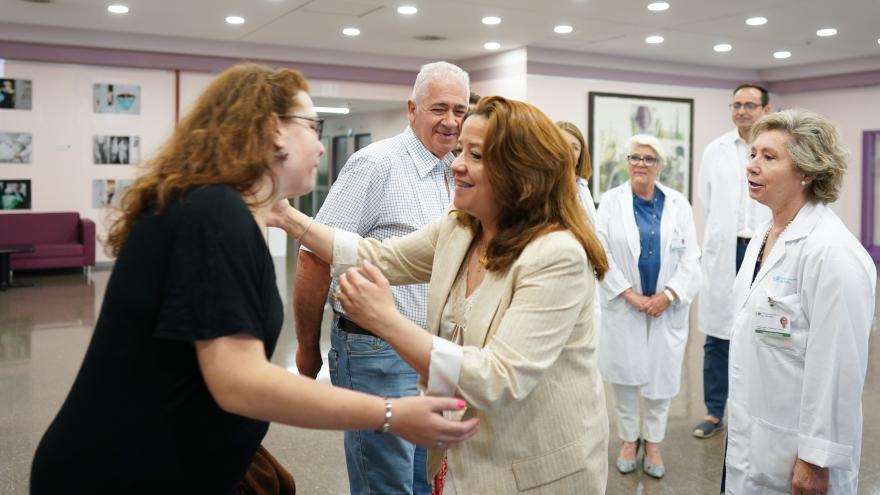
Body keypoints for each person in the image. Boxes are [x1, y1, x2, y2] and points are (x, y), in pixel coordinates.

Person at [29, 63, 479, 494]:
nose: (321, 148)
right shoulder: (213, 214)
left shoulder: (222, 212)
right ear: (270, 130)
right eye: (312, 128)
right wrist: (390, 413)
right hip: (123, 473)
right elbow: (238, 379)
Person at [279, 95, 610, 494]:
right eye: (459, 151)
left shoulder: (557, 255)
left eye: (475, 155)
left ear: (521, 174)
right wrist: (284, 215)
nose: (455, 164)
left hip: (535, 471)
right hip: (467, 459)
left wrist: (385, 320)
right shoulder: (462, 228)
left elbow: (497, 378)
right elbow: (378, 255)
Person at [292, 61, 469, 495]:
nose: (451, 122)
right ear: (412, 109)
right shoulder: (375, 165)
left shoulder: (458, 172)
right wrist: (306, 347)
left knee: (422, 481)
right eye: (439, 108)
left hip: (432, 354)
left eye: (460, 111)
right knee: (385, 484)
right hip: (376, 353)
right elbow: (316, 255)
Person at [724, 109, 875, 494]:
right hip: (752, 433)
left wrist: (815, 458)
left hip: (798, 453)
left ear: (807, 172)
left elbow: (838, 368)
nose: (752, 166)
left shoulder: (833, 254)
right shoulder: (764, 233)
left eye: (769, 157)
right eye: (753, 154)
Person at [595, 134, 701, 479]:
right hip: (625, 305)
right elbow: (601, 253)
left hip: (665, 307)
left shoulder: (677, 204)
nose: (641, 164)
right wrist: (630, 294)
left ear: (660, 166)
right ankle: (629, 439)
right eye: (635, 157)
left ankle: (653, 442)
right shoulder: (610, 202)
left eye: (649, 159)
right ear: (626, 162)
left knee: (662, 377)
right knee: (624, 377)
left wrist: (667, 295)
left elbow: (691, 257)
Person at [694, 83, 772, 439]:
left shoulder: (776, 149)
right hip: (726, 250)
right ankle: (714, 411)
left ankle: (753, 411)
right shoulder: (716, 150)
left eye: (750, 105)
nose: (742, 111)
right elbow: (706, 201)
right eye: (737, 104)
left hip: (763, 250)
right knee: (717, 336)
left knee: (761, 331)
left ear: (766, 110)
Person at [556, 121, 597, 224]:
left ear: (580, 157)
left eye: (575, 148)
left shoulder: (581, 187)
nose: (569, 151)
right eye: (563, 144)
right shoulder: (542, 188)